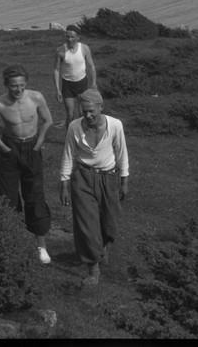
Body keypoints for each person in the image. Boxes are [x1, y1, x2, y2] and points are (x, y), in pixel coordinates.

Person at [0, 64, 54, 265]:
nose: (19, 89)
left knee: (35, 194)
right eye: (14, 85)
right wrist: (4, 148)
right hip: (10, 148)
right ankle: (12, 240)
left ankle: (41, 245)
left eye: (22, 85)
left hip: (32, 147)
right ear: (6, 84)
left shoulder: (36, 98)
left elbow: (48, 120)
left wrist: (39, 142)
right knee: (8, 195)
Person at [59, 88, 129, 286]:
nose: (88, 115)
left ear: (101, 108)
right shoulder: (74, 127)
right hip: (82, 177)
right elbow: (68, 155)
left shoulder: (115, 125)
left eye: (92, 111)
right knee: (86, 224)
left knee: (110, 224)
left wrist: (124, 181)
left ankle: (101, 246)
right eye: (84, 111)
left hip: (108, 177)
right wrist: (64, 184)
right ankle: (93, 269)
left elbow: (121, 152)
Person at [53, 24, 96, 127]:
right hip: (68, 85)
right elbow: (56, 70)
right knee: (70, 115)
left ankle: (82, 133)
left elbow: (91, 66)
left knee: (82, 113)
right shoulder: (60, 51)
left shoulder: (84, 48)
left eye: (72, 37)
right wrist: (57, 90)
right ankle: (69, 134)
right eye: (67, 36)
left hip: (82, 84)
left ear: (78, 37)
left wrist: (94, 83)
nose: (69, 39)